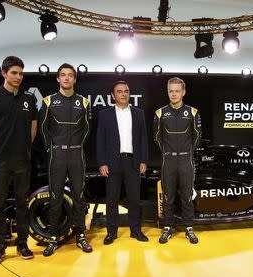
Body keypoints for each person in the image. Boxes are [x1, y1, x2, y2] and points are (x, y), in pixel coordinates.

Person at [0, 56, 37, 265]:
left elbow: (33, 127)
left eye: (21, 73)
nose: (18, 77)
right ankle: (0, 245)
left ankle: (23, 243)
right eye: (14, 72)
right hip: (0, 162)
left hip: (22, 161)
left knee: (22, 204)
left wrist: (24, 148)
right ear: (3, 73)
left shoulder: (29, 98)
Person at [39, 63, 92, 256]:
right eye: (63, 75)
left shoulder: (84, 102)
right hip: (57, 155)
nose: (67, 78)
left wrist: (77, 147)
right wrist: (50, 148)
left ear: (75, 79)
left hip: (77, 155)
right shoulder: (48, 101)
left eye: (70, 75)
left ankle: (80, 235)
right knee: (55, 197)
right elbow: (43, 129)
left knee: (79, 197)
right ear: (58, 79)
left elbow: (87, 130)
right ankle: (53, 237)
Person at [97, 81, 149, 245]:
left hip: (133, 161)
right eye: (119, 92)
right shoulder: (105, 114)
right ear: (113, 95)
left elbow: (143, 138)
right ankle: (111, 232)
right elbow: (100, 139)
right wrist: (102, 162)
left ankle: (136, 231)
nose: (123, 94)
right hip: (112, 162)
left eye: (126, 91)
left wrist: (144, 160)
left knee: (134, 199)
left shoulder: (138, 113)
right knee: (112, 199)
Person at [153, 77, 202, 244]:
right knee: (168, 197)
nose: (173, 94)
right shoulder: (160, 113)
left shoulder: (193, 112)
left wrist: (186, 153)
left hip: (186, 161)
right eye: (171, 91)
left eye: (177, 91)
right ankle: (167, 228)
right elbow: (157, 138)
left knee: (187, 196)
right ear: (168, 92)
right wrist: (168, 153)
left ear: (183, 92)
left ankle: (189, 228)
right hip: (169, 161)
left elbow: (197, 137)